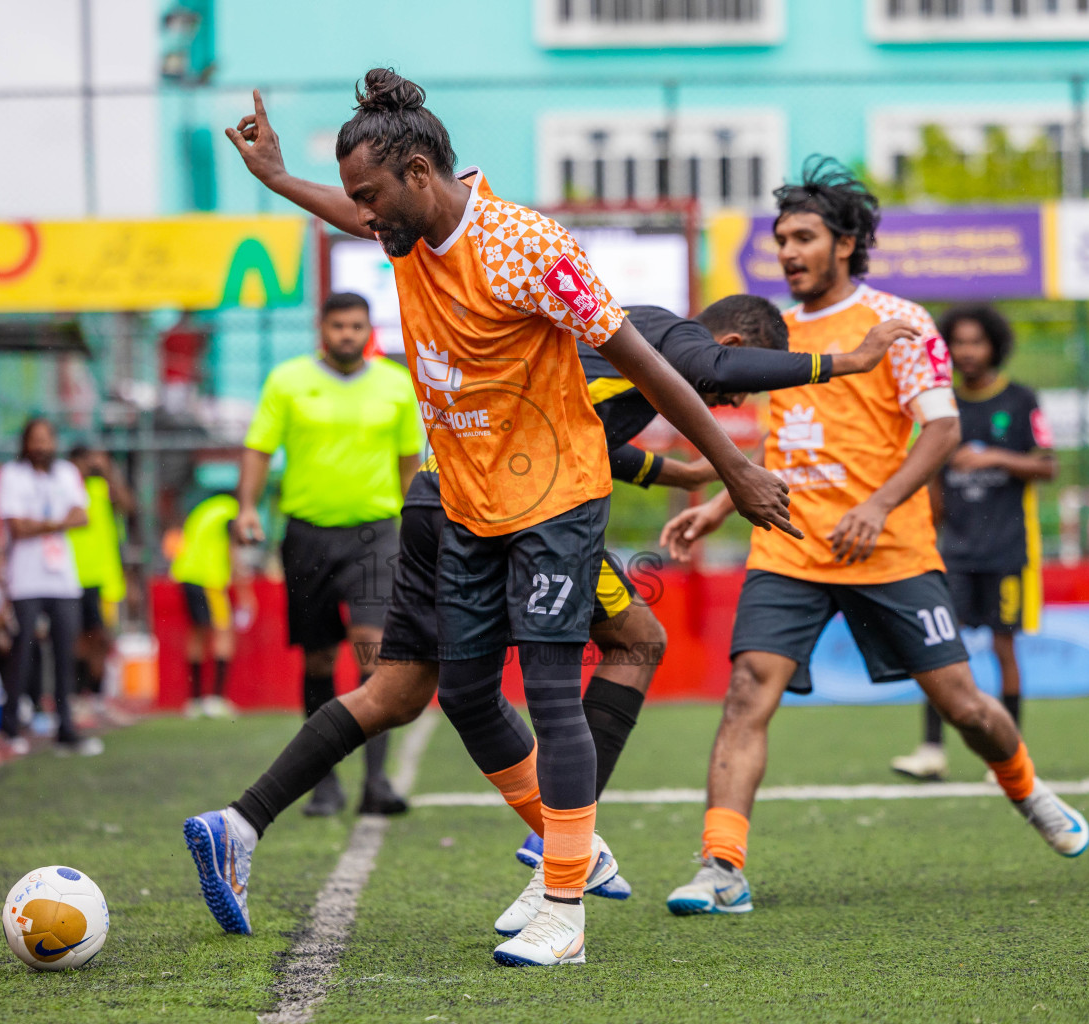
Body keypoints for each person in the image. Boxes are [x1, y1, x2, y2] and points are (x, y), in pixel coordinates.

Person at [187, 69, 797, 968]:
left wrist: (733, 467)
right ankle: (568, 852)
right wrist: (279, 181)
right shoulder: (403, 230)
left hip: (554, 499)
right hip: (467, 501)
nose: (362, 215)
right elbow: (354, 215)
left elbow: (648, 363)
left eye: (371, 196)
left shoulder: (526, 247)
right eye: (354, 198)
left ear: (422, 172)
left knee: (552, 691)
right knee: (466, 693)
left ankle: (564, 908)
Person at [658, 158, 1089, 919]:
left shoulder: (903, 321)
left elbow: (944, 430)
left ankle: (1025, 785)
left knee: (961, 707)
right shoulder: (781, 335)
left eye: (803, 237)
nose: (787, 252)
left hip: (889, 549)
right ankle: (721, 866)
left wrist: (882, 506)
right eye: (780, 238)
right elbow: (785, 443)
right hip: (789, 545)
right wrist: (723, 502)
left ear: (846, 244)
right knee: (747, 689)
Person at [237, 291, 422, 817]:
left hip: (377, 536)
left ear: (369, 329)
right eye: (338, 325)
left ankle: (376, 783)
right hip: (308, 536)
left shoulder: (396, 385)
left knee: (375, 650)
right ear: (321, 329)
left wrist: (419, 530)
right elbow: (258, 448)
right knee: (319, 657)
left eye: (356, 325)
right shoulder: (287, 381)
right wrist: (247, 508)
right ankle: (323, 784)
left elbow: (411, 463)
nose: (348, 334)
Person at [891, 304, 1056, 782]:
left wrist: (993, 460)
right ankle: (931, 751)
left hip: (1008, 547)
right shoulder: (940, 405)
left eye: (976, 342)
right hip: (954, 551)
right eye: (958, 342)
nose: (967, 351)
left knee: (1004, 649)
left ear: (995, 346)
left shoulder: (1021, 400)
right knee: (941, 648)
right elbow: (933, 478)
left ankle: (1009, 752)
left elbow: (1047, 465)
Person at [0, 417, 101, 757]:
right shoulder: (12, 475)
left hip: (62, 578)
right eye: (34, 440)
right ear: (25, 443)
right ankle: (10, 726)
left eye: (46, 439)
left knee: (64, 654)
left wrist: (39, 523)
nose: (41, 446)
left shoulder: (66, 473)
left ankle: (65, 728)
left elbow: (83, 516)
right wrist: (57, 522)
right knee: (23, 651)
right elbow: (17, 527)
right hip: (25, 577)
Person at [68, 445, 133, 721]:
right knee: (80, 640)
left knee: (101, 639)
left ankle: (96, 698)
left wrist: (109, 472)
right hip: (74, 575)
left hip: (104, 577)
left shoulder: (101, 487)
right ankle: (77, 698)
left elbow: (128, 507)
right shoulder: (66, 488)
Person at [169, 493, 243, 719]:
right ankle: (217, 699)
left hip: (186, 574)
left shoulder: (203, 509)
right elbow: (233, 549)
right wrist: (244, 589)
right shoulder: (231, 510)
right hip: (209, 579)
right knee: (224, 633)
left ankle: (195, 700)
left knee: (197, 634)